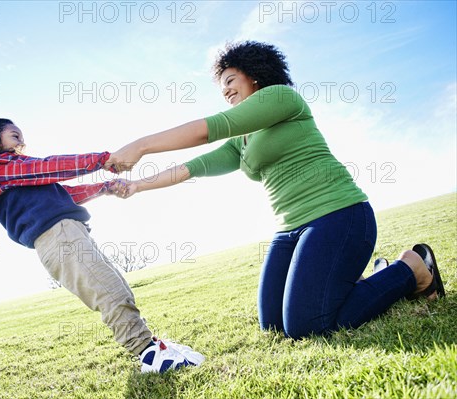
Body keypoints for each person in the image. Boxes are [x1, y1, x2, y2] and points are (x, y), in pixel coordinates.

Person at [105, 41, 446, 339]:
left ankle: (410, 268)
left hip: (339, 216)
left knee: (307, 326)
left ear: (254, 75)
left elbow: (209, 129)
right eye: (221, 87)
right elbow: (194, 166)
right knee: (273, 327)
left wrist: (141, 146)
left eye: (229, 81)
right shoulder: (242, 140)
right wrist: (137, 185)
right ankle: (372, 277)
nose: (225, 91)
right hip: (290, 231)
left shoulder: (281, 98)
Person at [0, 118, 205, 372]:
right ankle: (151, 357)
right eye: (14, 135)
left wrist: (105, 187)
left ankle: (153, 347)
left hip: (66, 234)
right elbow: (50, 167)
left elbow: (65, 193)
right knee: (110, 292)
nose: (21, 141)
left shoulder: (14, 174)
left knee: (116, 286)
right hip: (59, 237)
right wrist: (104, 160)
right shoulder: (2, 166)